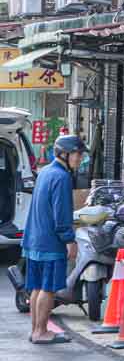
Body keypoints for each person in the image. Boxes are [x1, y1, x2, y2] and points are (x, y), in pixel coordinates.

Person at [21, 134, 83, 345]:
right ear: (64, 154)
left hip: (34, 239)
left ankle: (36, 330)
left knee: (38, 287)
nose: (80, 158)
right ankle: (41, 331)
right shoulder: (62, 177)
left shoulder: (45, 172)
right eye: (77, 154)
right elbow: (61, 214)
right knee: (47, 288)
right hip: (50, 241)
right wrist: (70, 240)